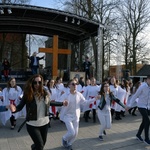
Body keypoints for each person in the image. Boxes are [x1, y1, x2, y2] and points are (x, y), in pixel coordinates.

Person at [9, 74, 68, 150]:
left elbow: (49, 103)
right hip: (32, 124)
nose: (37, 84)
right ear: (32, 83)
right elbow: (20, 106)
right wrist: (14, 109)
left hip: (44, 123)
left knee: (42, 144)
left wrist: (62, 103)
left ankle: (34, 147)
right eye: (35, 82)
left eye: (39, 82)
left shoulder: (45, 92)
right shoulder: (28, 94)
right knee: (40, 146)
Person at [60, 79, 98, 150]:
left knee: (75, 133)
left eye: (76, 84)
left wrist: (94, 99)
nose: (75, 86)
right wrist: (63, 102)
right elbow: (59, 101)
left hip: (76, 116)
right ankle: (64, 138)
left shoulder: (79, 94)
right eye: (73, 84)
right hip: (67, 115)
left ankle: (69, 144)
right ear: (69, 86)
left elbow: (85, 102)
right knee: (71, 132)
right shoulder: (66, 94)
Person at [127, 75, 150, 145]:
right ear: (148, 79)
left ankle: (138, 135)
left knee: (144, 121)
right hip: (141, 106)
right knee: (147, 121)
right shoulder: (143, 86)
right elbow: (135, 95)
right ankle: (146, 139)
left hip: (147, 106)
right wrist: (130, 105)